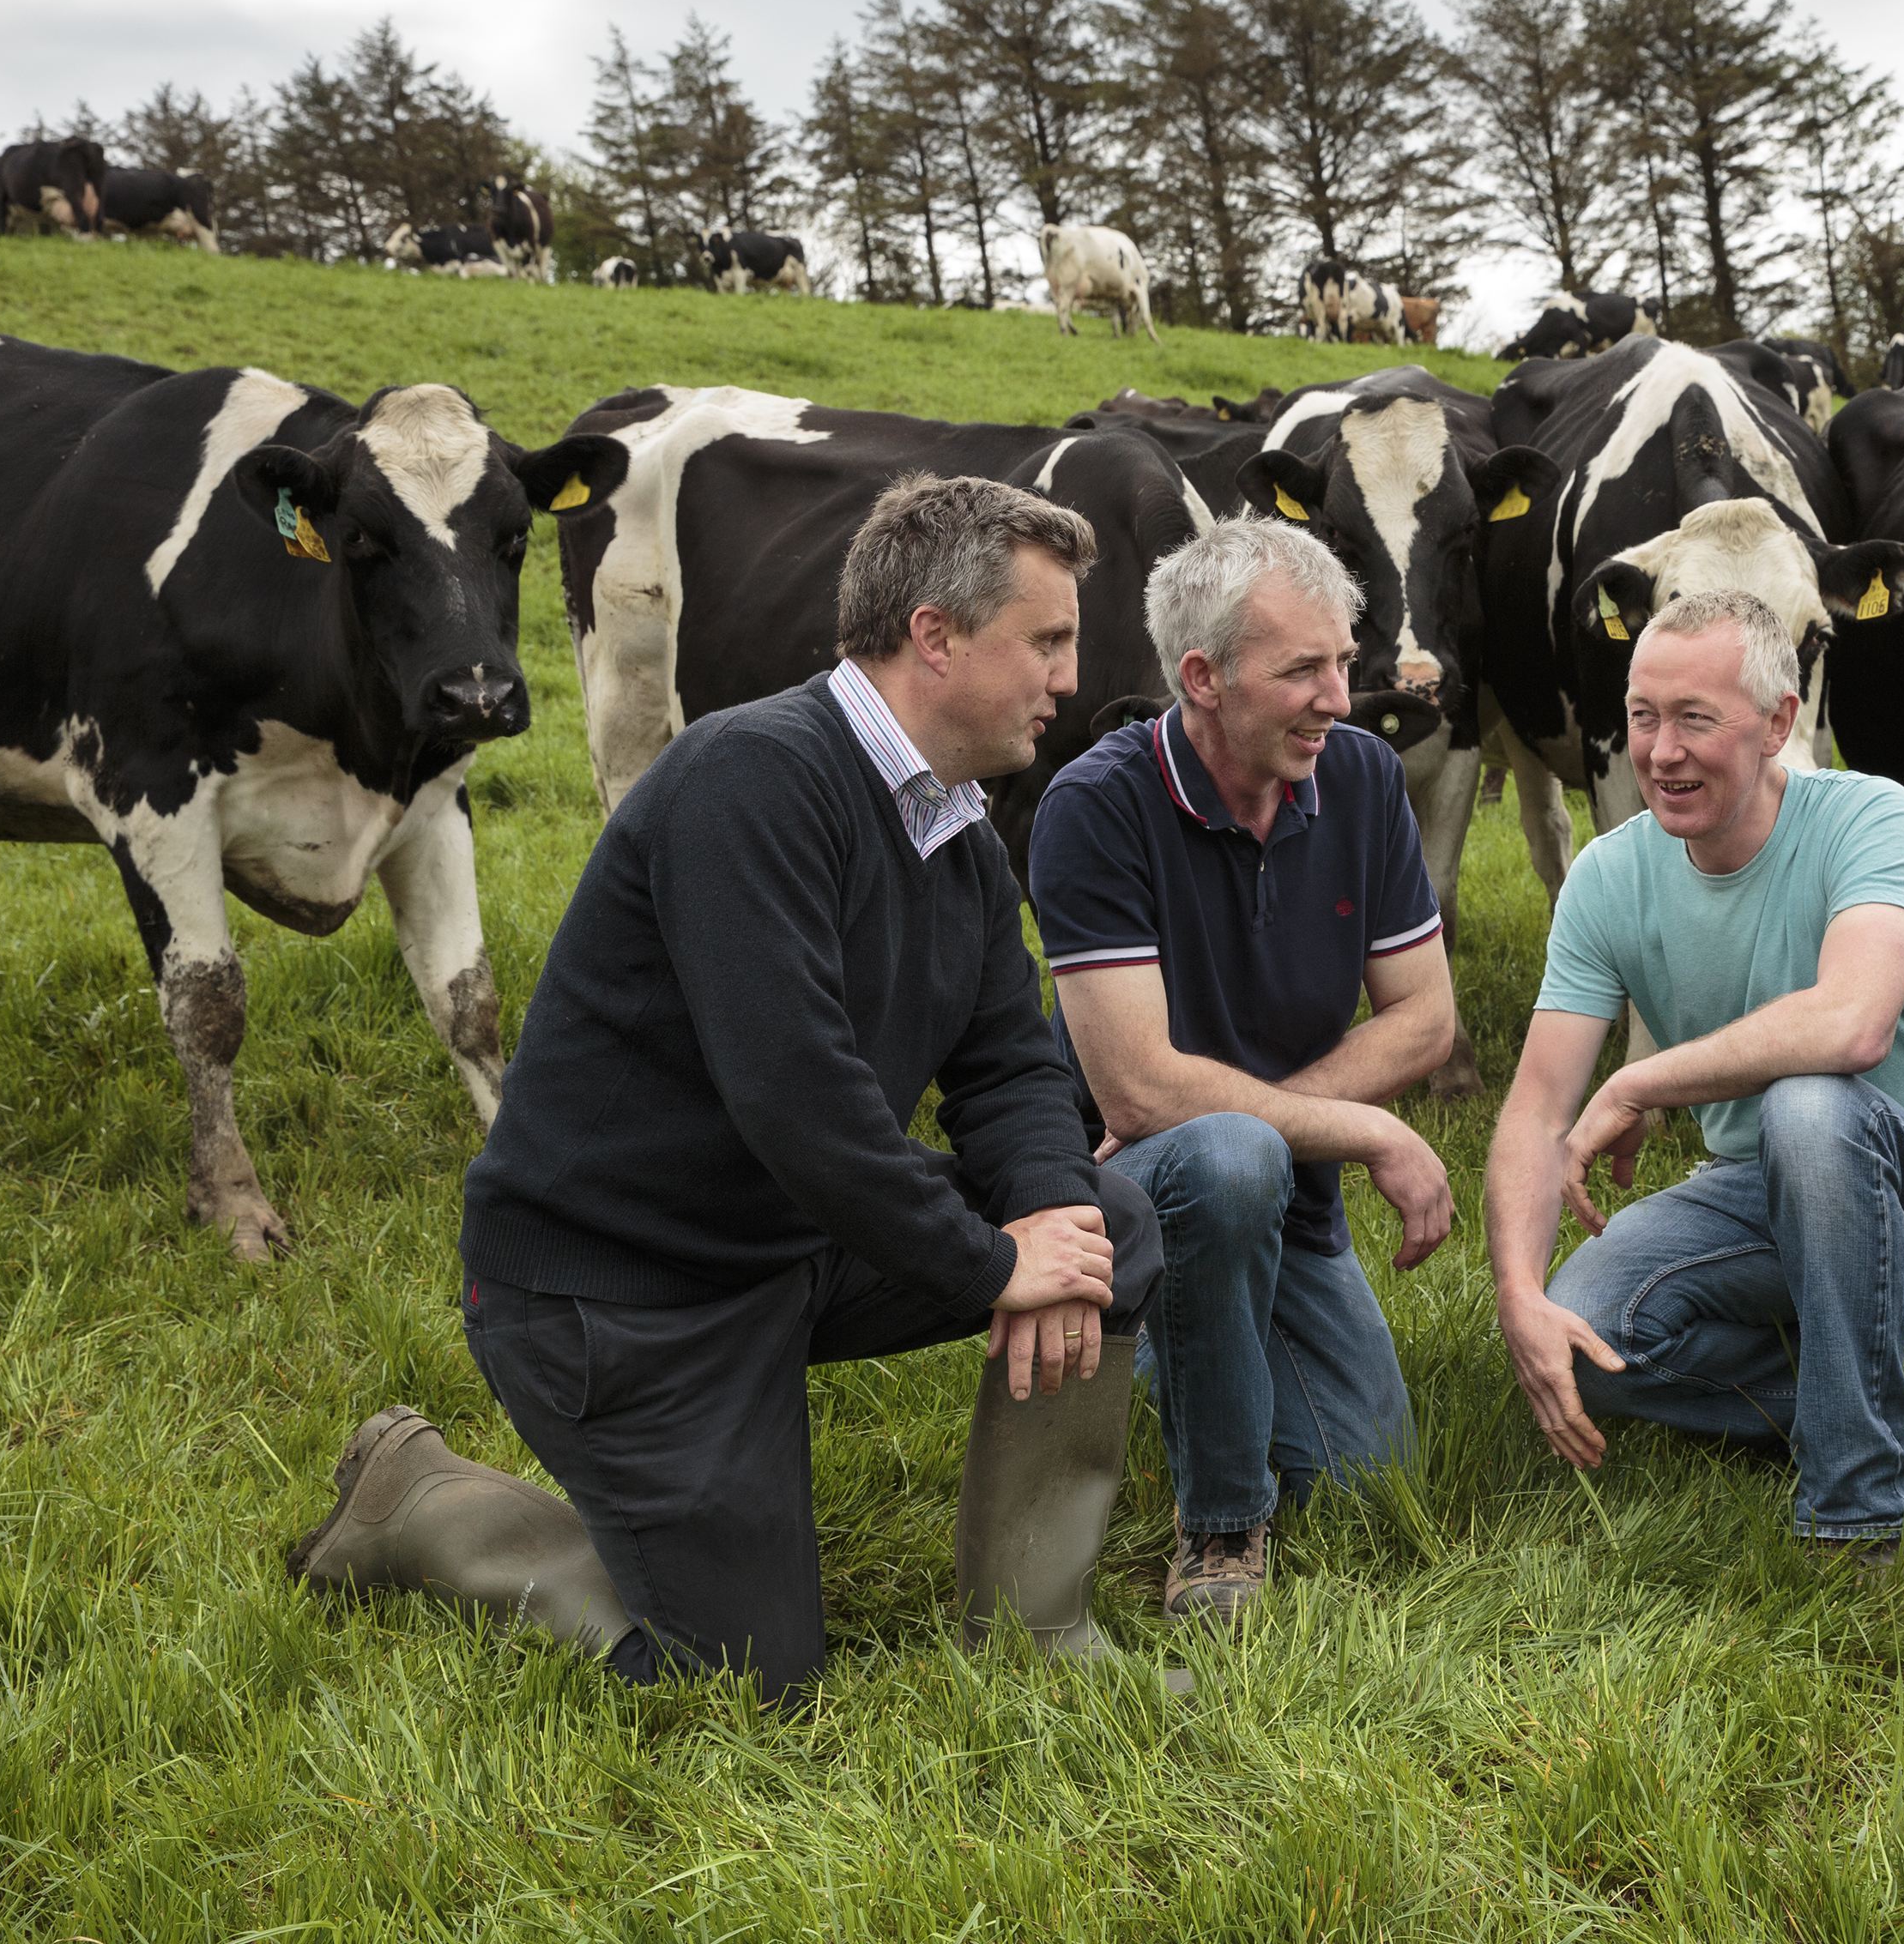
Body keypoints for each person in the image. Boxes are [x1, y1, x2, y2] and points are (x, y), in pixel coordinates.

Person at [289, 474, 1164, 1701]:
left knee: (1103, 1224)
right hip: (622, 1295)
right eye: (1049, 641)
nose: (1071, 679)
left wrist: (1045, 1224)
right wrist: (986, 1265)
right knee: (746, 1680)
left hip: (784, 1242)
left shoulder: (956, 826)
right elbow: (792, 1096)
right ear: (936, 637)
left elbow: (1011, 1064)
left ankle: (1033, 1634)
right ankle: (419, 1503)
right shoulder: (751, 779)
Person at [1485, 589, 1904, 1564]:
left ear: (1777, 723)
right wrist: (1518, 1289)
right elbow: (1536, 1110)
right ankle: (1844, 1391)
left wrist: (1646, 1081)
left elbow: (1851, 1025)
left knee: (1808, 1109)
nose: (1661, 752)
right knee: (1587, 1337)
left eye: (1695, 719)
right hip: (1749, 1191)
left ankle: (1862, 1518)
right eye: (1644, 717)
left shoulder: (1867, 814)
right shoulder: (1607, 875)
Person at [1032, 518, 1455, 1625]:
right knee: (1224, 1158)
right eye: (1303, 670)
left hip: (1288, 1191)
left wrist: (1285, 1125)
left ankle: (1197, 1338)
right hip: (1150, 1187)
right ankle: (1222, 1529)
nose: (1340, 698)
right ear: (1202, 678)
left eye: (1345, 664)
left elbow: (1427, 1020)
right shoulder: (1097, 805)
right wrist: (1370, 1129)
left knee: (1371, 1486)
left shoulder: (1360, 778)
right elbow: (1137, 1098)